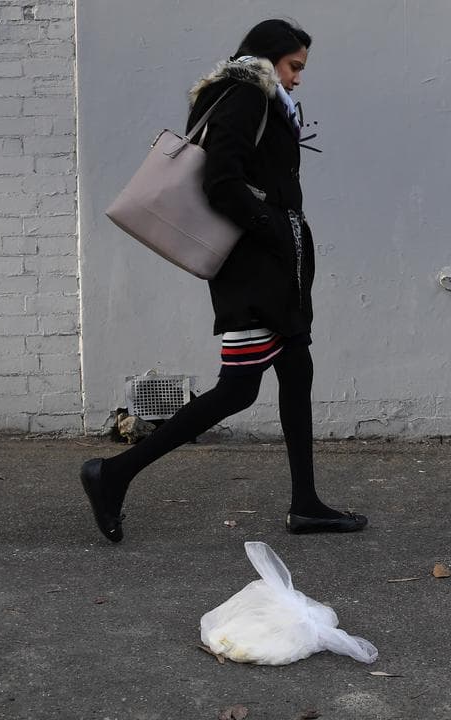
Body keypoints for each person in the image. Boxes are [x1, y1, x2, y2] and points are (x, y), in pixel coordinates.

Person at [80, 19, 366, 543]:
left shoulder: (259, 96)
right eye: (294, 66)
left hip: (278, 266)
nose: (299, 78)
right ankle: (113, 473)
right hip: (255, 267)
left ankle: (305, 503)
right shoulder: (244, 96)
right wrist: (274, 230)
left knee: (296, 369)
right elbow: (221, 183)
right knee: (238, 389)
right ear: (268, 57)